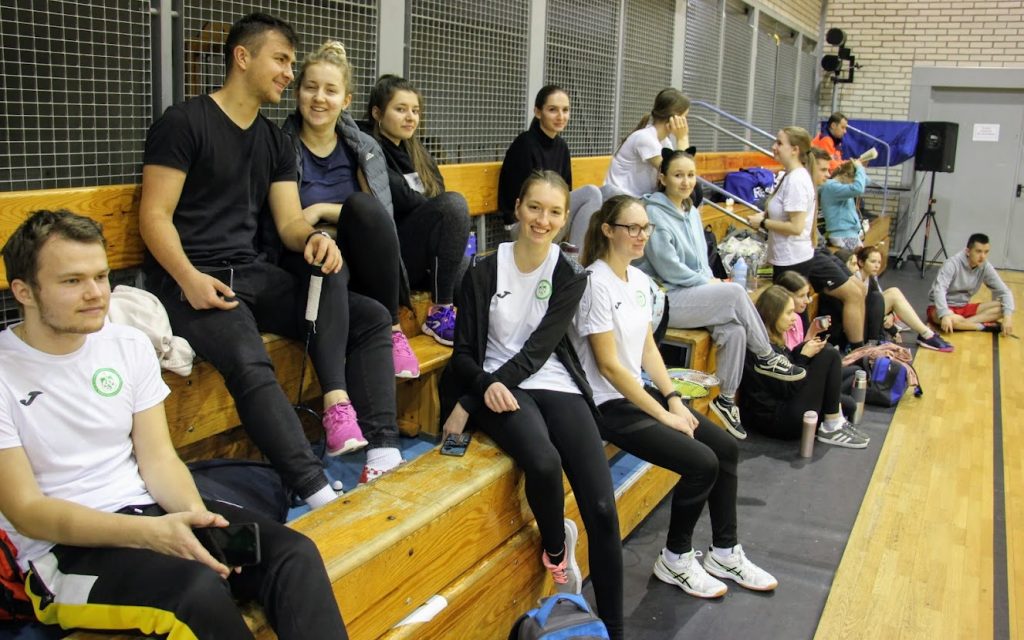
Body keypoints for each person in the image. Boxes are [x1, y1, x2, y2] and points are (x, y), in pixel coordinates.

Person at [0, 209, 347, 639]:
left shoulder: (127, 344)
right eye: (72, 281)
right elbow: (28, 512)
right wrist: (148, 535)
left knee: (290, 554)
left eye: (101, 276)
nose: (95, 294)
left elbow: (159, 460)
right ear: (24, 292)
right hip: (63, 552)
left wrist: (197, 521)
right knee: (196, 592)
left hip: (151, 512)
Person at [139, 13, 402, 502]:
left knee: (369, 316)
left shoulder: (275, 142)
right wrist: (189, 278)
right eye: (281, 60)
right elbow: (154, 216)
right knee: (249, 358)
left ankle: (384, 453)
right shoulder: (184, 122)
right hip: (189, 279)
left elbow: (289, 223)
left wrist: (314, 239)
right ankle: (315, 489)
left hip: (253, 273)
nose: (288, 73)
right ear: (243, 57)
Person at [439, 171, 624, 639]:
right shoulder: (482, 271)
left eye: (555, 212)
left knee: (603, 509)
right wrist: (479, 389)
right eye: (535, 207)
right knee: (543, 463)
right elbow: (463, 354)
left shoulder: (570, 275)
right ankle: (557, 553)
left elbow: (538, 352)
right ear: (518, 208)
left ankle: (616, 630)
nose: (543, 220)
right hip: (499, 383)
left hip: (547, 378)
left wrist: (470, 399)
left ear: (565, 219)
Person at [573, 195, 777, 600]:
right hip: (605, 404)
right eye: (632, 228)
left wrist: (673, 398)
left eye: (645, 228)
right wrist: (664, 416)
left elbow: (648, 348)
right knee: (701, 462)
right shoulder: (594, 283)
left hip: (636, 392)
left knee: (725, 449)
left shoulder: (637, 280)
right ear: (608, 230)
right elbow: (610, 367)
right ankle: (676, 559)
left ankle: (724, 552)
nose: (641, 235)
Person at [636, 149, 806, 440]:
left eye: (691, 175)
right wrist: (709, 283)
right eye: (678, 175)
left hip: (691, 292)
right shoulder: (652, 213)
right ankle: (766, 355)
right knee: (735, 293)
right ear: (662, 178)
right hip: (664, 299)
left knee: (735, 330)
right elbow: (669, 269)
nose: (686, 181)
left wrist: (709, 281)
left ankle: (726, 399)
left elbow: (702, 263)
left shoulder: (691, 211)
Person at [280, 40, 420, 379]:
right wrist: (314, 225)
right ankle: (338, 393)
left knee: (361, 205)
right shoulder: (282, 144)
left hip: (361, 256)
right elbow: (287, 220)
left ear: (345, 101)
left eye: (331, 90)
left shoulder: (364, 147)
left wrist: (321, 210)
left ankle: (394, 330)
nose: (319, 98)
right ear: (297, 92)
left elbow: (375, 215)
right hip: (311, 257)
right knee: (332, 266)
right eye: (311, 87)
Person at [364, 74, 472, 346]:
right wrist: (433, 210)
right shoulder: (370, 150)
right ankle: (440, 312)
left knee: (474, 275)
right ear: (377, 113)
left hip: (425, 257)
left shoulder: (416, 151)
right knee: (454, 204)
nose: (410, 117)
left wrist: (434, 211)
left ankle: (481, 347)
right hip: (395, 259)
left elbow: (436, 195)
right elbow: (401, 197)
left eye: (415, 110)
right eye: (400, 109)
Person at [749, 131, 867, 349]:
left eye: (779, 143)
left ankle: (806, 357)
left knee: (794, 312)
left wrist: (763, 223)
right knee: (795, 311)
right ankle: (803, 356)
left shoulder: (796, 179)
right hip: (791, 255)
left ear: (795, 150)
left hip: (793, 256)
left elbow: (795, 227)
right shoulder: (791, 176)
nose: (774, 147)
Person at [740, 286, 868, 448]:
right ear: (773, 314)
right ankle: (831, 426)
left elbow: (788, 364)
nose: (793, 318)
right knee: (828, 354)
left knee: (848, 404)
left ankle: (834, 420)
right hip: (776, 419)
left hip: (786, 403)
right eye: (788, 313)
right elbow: (787, 388)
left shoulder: (773, 338)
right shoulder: (760, 349)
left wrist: (804, 348)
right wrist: (803, 356)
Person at [497, 84, 603, 249]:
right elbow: (523, 202)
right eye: (553, 110)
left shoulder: (561, 146)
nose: (560, 116)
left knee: (610, 192)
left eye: (565, 110)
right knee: (591, 193)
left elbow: (565, 191)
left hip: (551, 217)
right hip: (525, 224)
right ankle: (575, 260)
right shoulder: (524, 145)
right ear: (538, 112)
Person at [856, 246, 954, 352]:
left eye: (879, 262)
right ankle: (926, 334)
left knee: (892, 292)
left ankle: (926, 333)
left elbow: (877, 302)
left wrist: (890, 316)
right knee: (893, 293)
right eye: (873, 262)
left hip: (867, 316)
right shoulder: (855, 279)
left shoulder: (870, 278)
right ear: (861, 262)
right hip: (857, 322)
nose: (877, 266)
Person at [604, 88, 693, 199]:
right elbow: (677, 171)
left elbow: (682, 173)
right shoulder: (645, 138)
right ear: (674, 118)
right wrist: (682, 138)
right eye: (685, 118)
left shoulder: (664, 141)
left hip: (638, 200)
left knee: (692, 191)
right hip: (619, 200)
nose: (685, 123)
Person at [927, 233, 1015, 336]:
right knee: (950, 319)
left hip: (964, 307)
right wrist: (945, 314)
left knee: (1004, 307)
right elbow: (939, 290)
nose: (983, 256)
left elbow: (1005, 292)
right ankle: (980, 326)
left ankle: (961, 324)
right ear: (968, 251)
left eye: (986, 252)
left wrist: (1008, 317)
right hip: (941, 307)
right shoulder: (952, 264)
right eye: (978, 251)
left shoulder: (985, 266)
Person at [820, 159, 867, 251]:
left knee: (864, 257)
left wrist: (859, 168)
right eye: (853, 181)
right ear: (845, 175)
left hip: (849, 234)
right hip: (843, 235)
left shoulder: (838, 187)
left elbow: (864, 182)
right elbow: (858, 188)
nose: (852, 185)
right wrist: (860, 168)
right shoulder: (832, 187)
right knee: (859, 259)